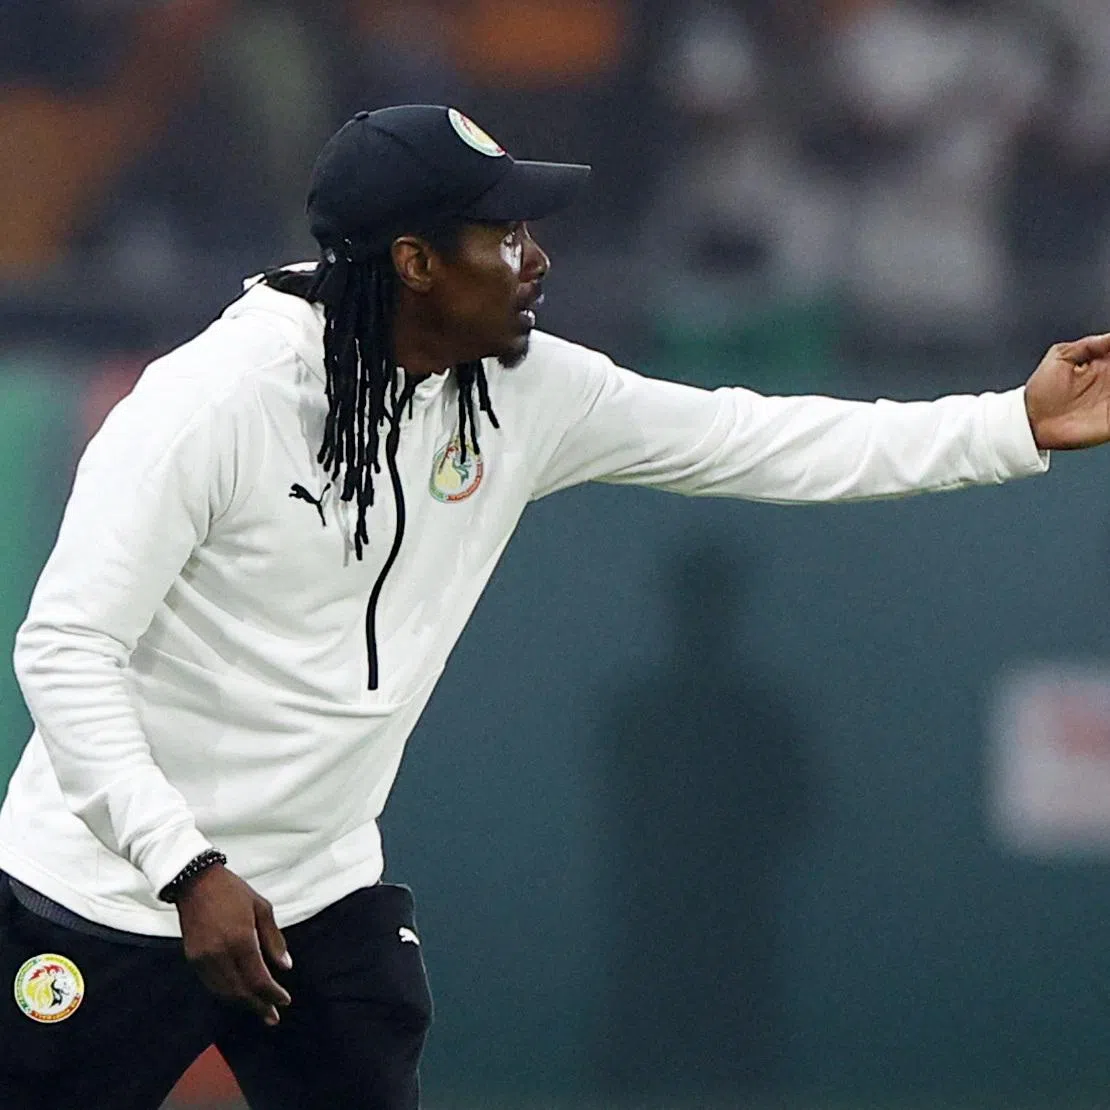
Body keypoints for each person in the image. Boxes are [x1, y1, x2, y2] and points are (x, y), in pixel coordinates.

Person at [0, 104, 1109, 1110]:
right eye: (505, 236)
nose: (538, 260)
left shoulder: (525, 390)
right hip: (105, 896)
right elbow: (65, 649)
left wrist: (1013, 423)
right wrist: (184, 867)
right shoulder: (209, 404)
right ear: (415, 262)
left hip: (316, 899)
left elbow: (754, 437)